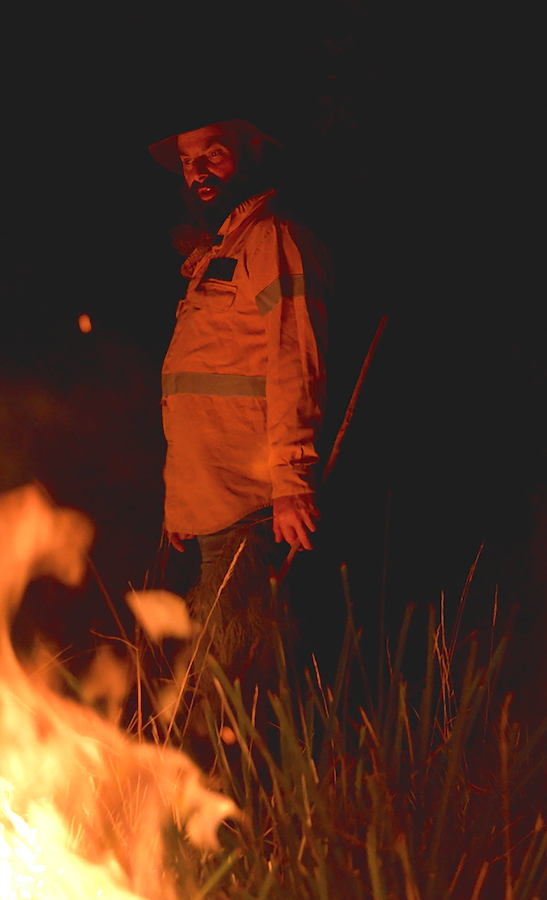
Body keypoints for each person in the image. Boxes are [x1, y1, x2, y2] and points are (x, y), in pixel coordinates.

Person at [149, 118, 329, 675]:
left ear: (250, 152)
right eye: (186, 160)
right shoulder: (218, 249)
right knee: (230, 670)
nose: (198, 171)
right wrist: (182, 501)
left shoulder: (273, 239)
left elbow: (295, 360)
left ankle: (254, 761)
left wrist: (293, 483)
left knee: (235, 680)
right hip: (208, 506)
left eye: (213, 154)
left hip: (253, 506)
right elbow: (200, 386)